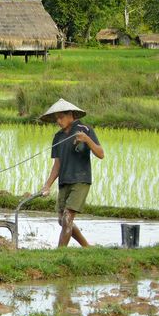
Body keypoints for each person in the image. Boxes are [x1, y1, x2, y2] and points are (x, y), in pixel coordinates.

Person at [40, 98, 104, 247]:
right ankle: (87, 247)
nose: (58, 121)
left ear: (71, 115)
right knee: (62, 220)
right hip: (64, 181)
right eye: (56, 118)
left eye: (61, 117)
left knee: (67, 218)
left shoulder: (84, 130)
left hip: (80, 179)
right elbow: (57, 164)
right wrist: (47, 185)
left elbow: (101, 154)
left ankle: (60, 254)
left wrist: (87, 140)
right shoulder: (58, 137)